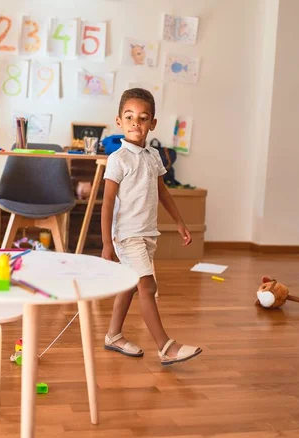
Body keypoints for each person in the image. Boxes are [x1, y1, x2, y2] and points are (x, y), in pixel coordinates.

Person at [101, 88, 202, 365]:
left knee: (130, 286)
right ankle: (165, 347)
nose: (136, 123)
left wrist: (180, 222)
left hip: (147, 233)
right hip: (126, 234)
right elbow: (107, 203)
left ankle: (113, 335)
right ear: (119, 121)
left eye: (143, 118)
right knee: (147, 286)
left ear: (153, 124)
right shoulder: (118, 159)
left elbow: (163, 192)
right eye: (129, 116)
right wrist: (107, 243)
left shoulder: (153, 157)